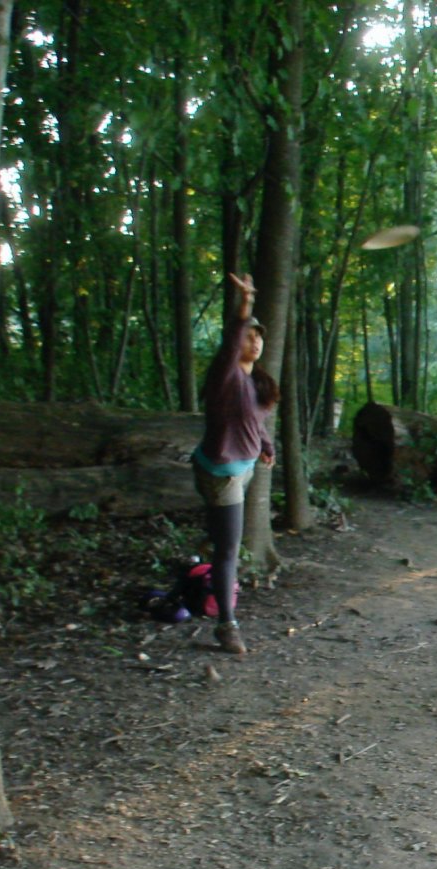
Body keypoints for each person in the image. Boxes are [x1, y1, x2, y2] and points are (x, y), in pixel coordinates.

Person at [192, 272, 276, 656]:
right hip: (222, 473)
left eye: (259, 336)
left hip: (242, 470)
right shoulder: (226, 373)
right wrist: (245, 307)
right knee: (228, 550)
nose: (255, 341)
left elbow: (254, 422)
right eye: (249, 335)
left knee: (226, 542)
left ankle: (210, 591)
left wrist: (265, 445)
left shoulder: (252, 381)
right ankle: (227, 627)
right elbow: (231, 341)